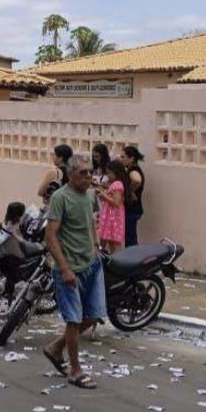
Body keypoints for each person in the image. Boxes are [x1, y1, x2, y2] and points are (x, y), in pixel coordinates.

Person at [41, 155, 104, 390]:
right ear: (70, 175)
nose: (88, 177)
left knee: (94, 314)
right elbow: (51, 236)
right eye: (83, 173)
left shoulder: (89, 195)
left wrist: (96, 246)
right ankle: (75, 370)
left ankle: (55, 348)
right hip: (69, 269)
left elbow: (90, 222)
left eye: (90, 172)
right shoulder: (60, 198)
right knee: (74, 320)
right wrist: (65, 269)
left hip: (91, 264)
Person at [95, 159, 129, 253]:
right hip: (111, 216)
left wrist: (103, 195)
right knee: (110, 240)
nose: (108, 175)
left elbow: (116, 202)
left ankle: (117, 262)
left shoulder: (118, 184)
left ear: (116, 173)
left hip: (114, 217)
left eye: (109, 173)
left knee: (114, 243)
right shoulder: (115, 184)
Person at [121, 146, 145, 247]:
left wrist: (129, 190)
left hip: (132, 209)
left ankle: (134, 259)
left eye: (123, 157)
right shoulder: (131, 170)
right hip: (132, 209)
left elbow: (137, 180)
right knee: (130, 237)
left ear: (131, 158)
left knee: (130, 239)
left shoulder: (133, 171)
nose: (121, 159)